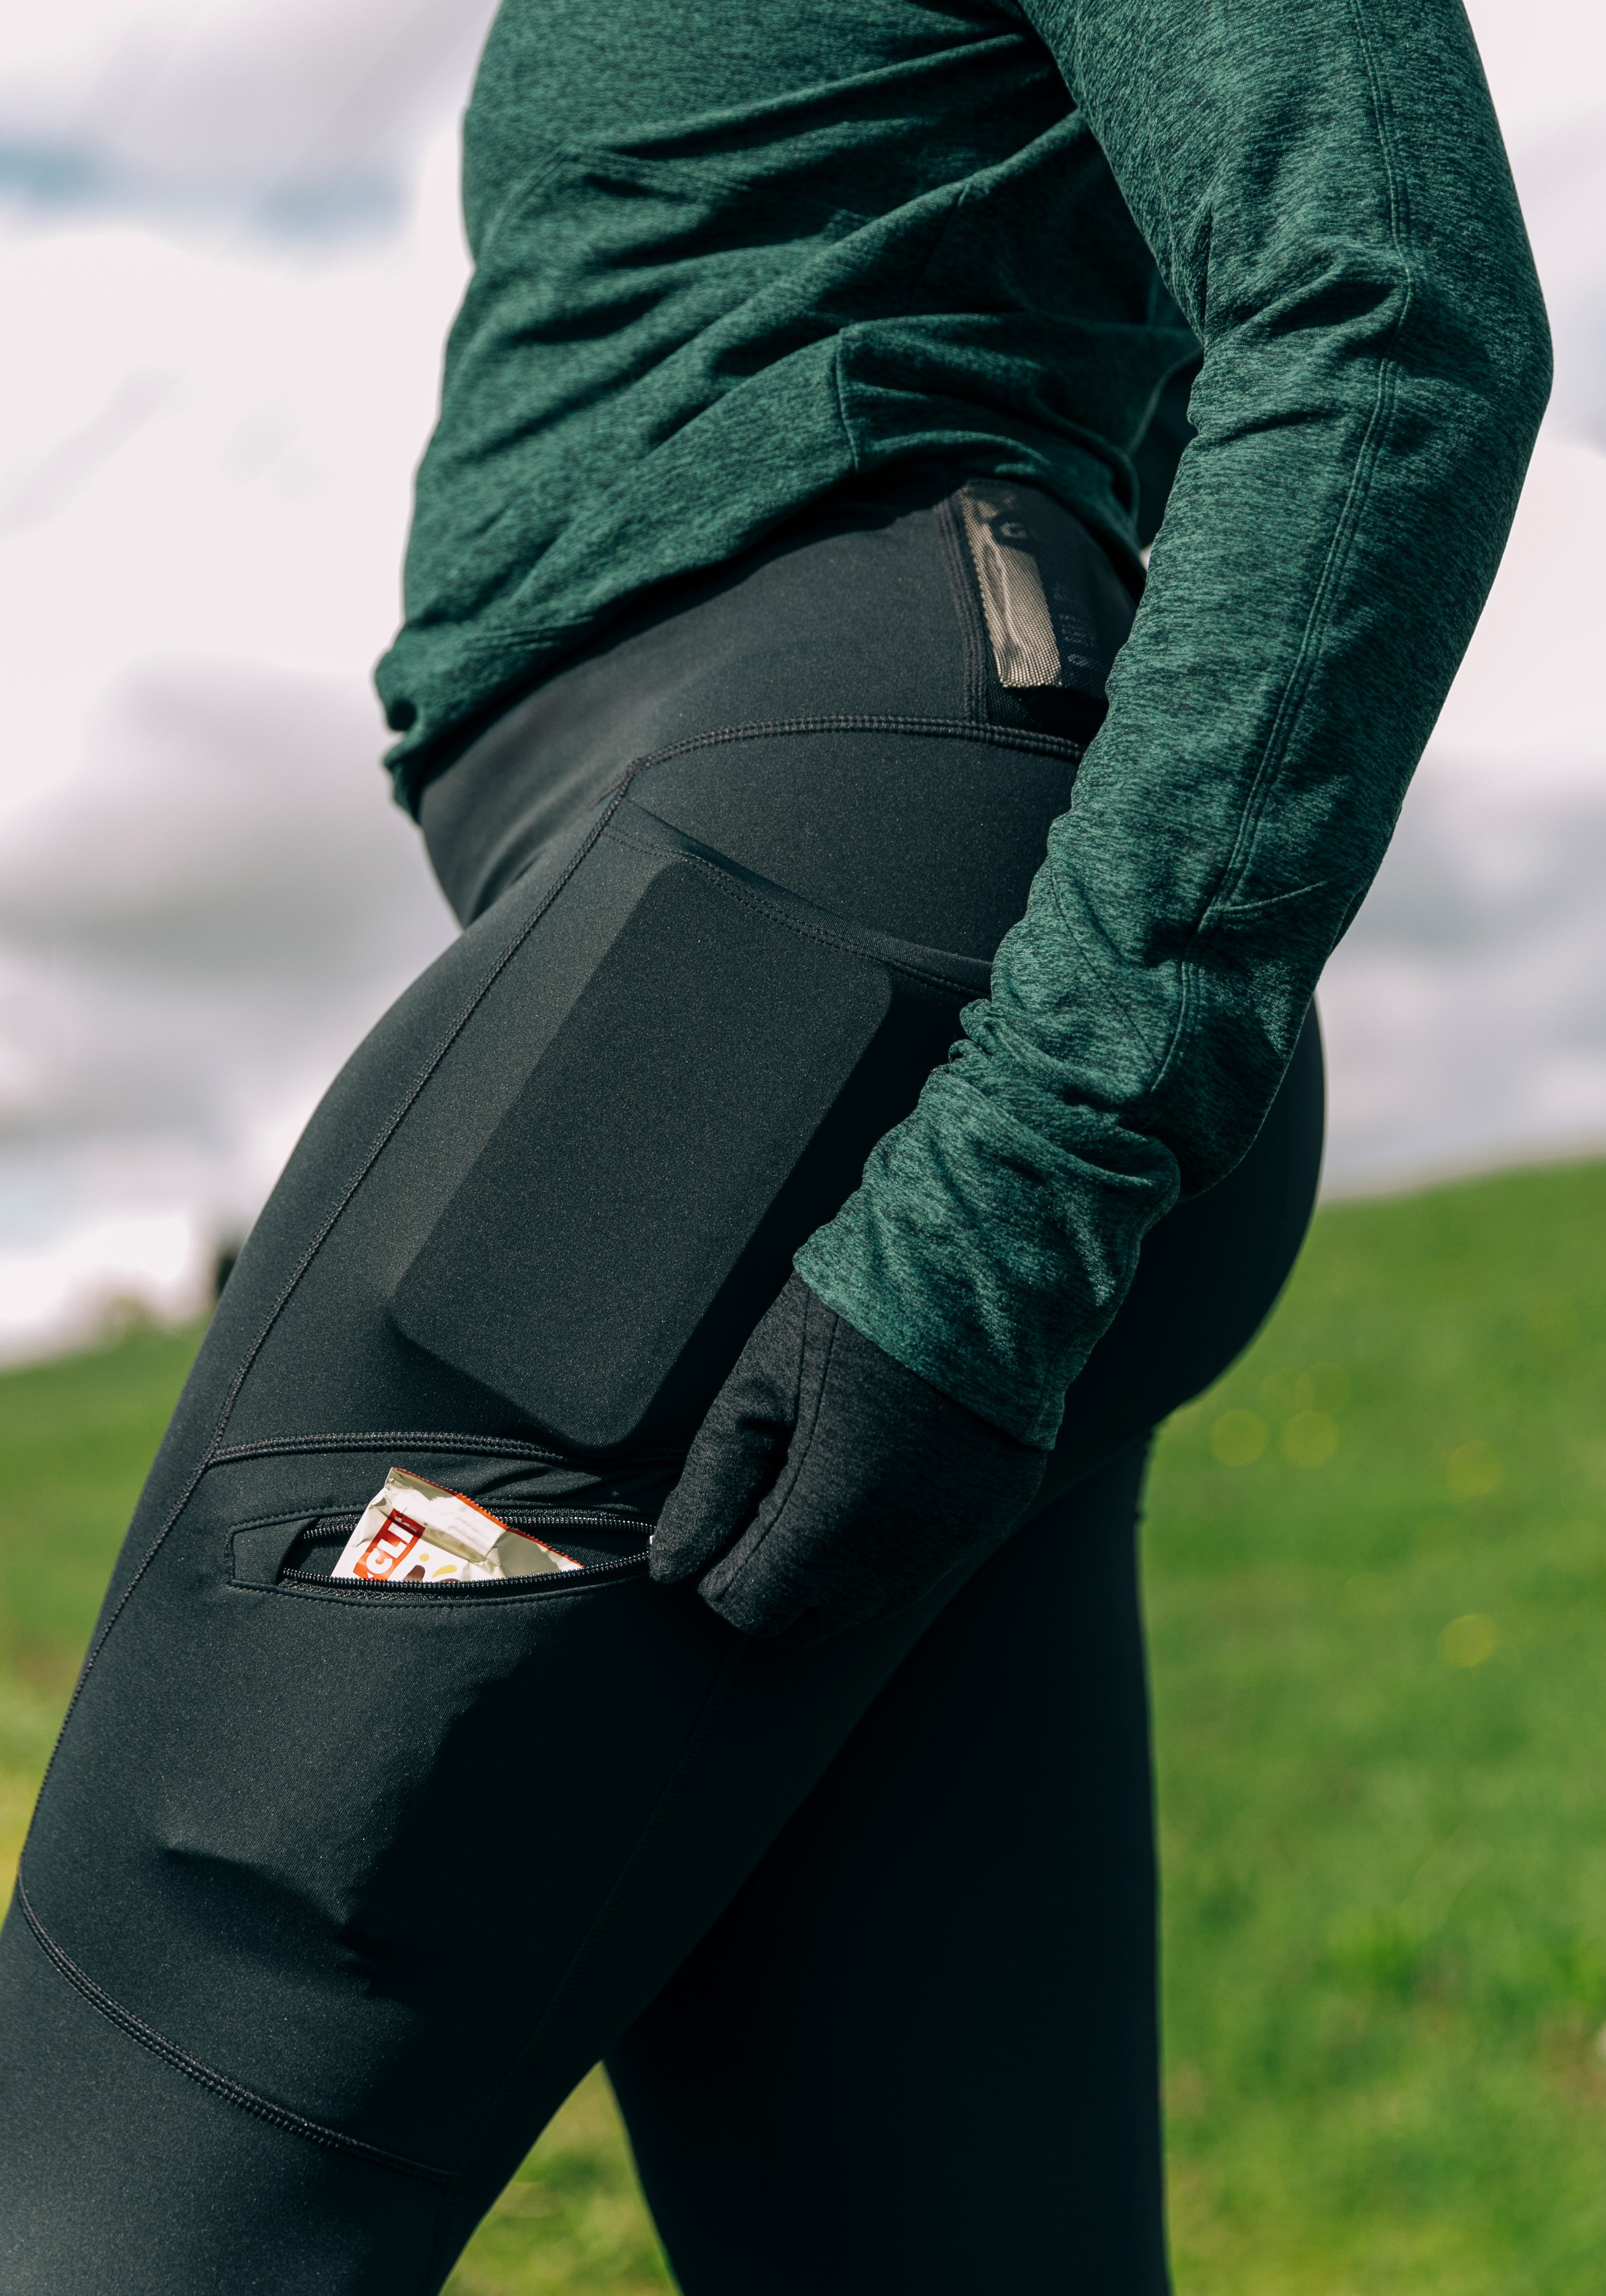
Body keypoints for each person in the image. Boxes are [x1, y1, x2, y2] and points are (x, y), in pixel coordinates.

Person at [0, 0, 1547, 2288]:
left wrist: (1003, 1189)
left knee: (129, 2169)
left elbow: (1390, 297)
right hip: (818, 960)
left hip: (786, 979)